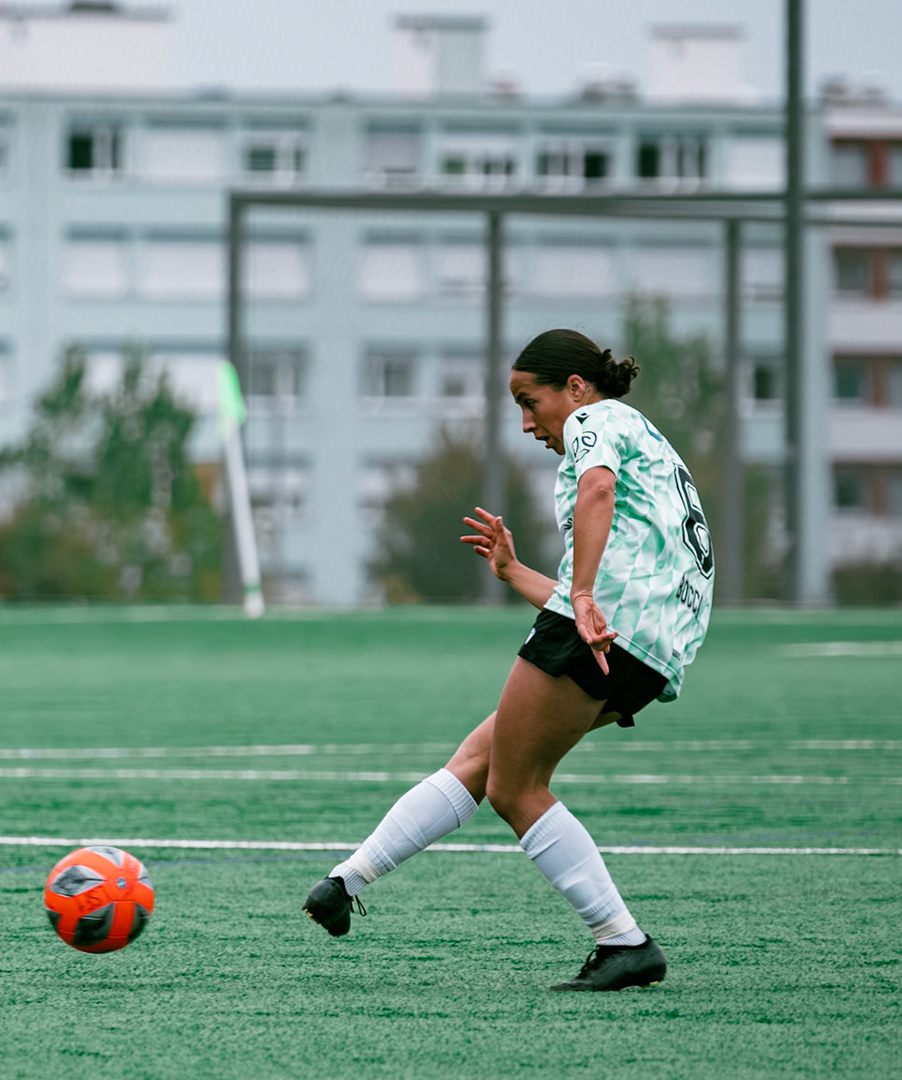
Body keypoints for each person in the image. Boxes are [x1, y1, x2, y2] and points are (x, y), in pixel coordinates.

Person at [303, 329, 715, 991]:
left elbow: (598, 495)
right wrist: (516, 571)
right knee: (481, 759)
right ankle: (344, 882)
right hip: (642, 640)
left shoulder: (595, 419)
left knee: (514, 787)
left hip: (605, 627)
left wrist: (579, 595)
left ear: (575, 389)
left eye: (531, 401)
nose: (527, 423)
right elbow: (624, 561)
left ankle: (624, 941)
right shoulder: (646, 439)